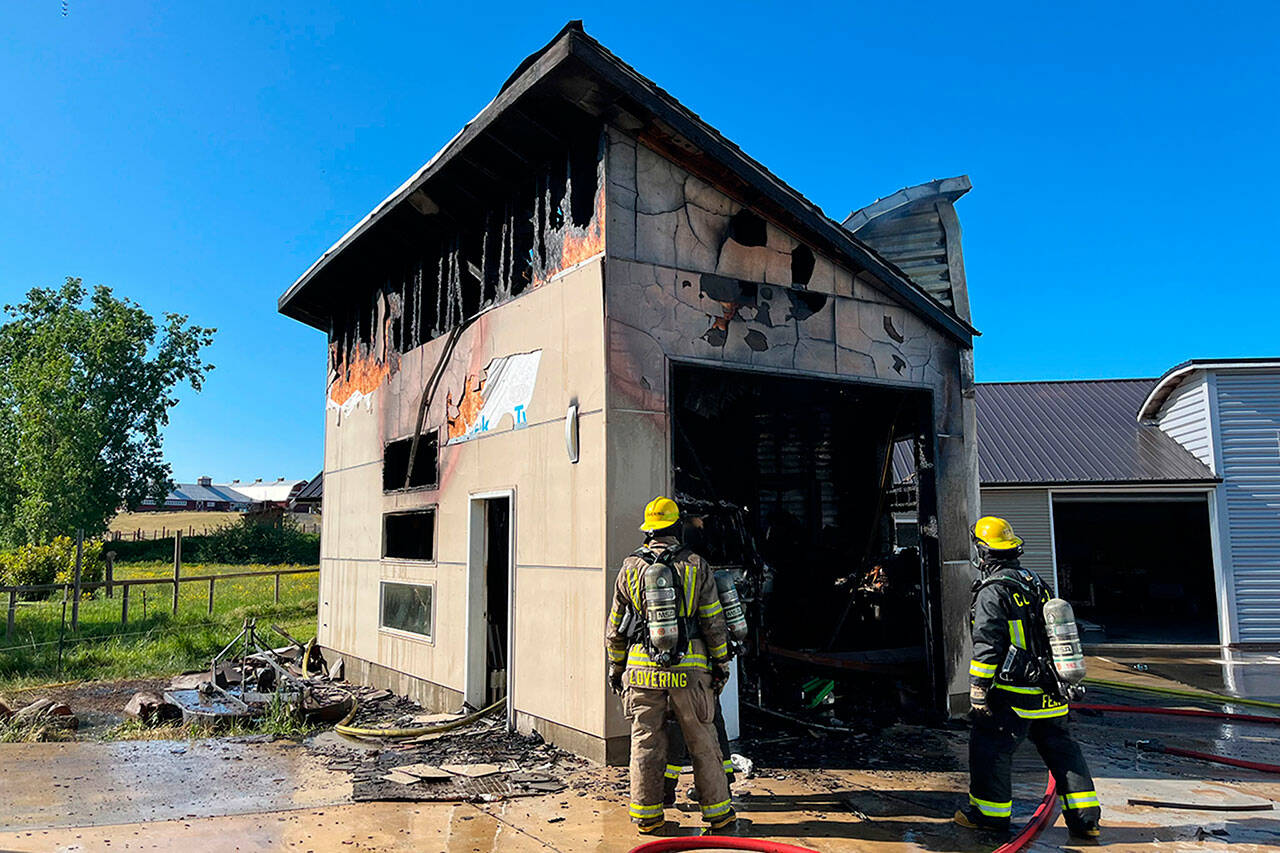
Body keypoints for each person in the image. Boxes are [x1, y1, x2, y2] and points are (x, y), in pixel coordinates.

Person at [955, 516, 1102, 841]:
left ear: (984, 551)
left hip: (1014, 692)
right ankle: (1086, 820)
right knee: (1063, 751)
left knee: (990, 748)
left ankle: (988, 817)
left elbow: (987, 645)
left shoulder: (993, 592)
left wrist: (978, 691)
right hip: (1051, 689)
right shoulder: (1036, 582)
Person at [605, 496, 736, 835]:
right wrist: (721, 663)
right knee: (703, 742)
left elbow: (616, 626)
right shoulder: (696, 564)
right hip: (689, 673)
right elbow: (713, 622)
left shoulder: (629, 567)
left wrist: (615, 668)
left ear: (648, 531)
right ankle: (719, 816)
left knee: (645, 741)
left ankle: (648, 817)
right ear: (677, 527)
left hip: (641, 672)